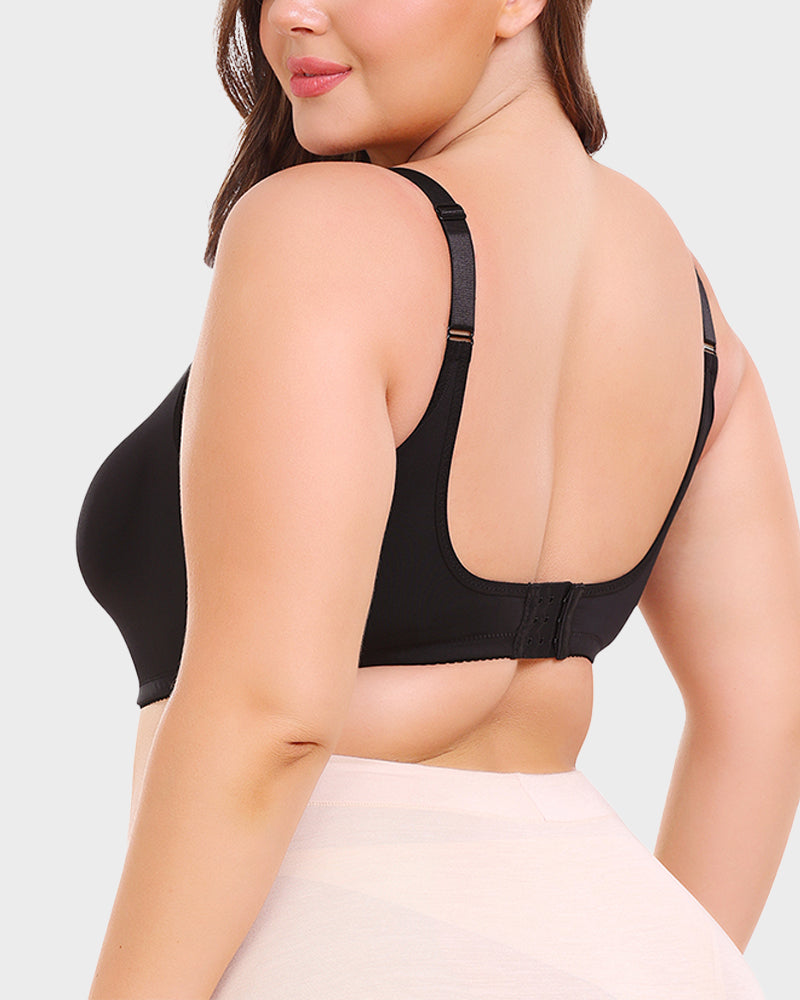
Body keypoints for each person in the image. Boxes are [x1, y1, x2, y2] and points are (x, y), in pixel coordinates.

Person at [76, 0, 800, 997]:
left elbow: (268, 714)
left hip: (349, 947)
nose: (290, 15)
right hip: (637, 944)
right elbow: (763, 715)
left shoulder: (322, 230)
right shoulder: (691, 307)